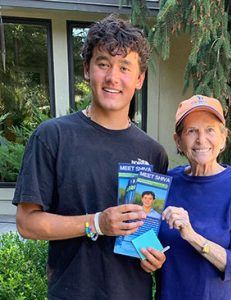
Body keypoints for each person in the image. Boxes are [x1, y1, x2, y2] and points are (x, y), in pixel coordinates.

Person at [13, 15, 168, 300]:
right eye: (103, 64)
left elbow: (146, 229)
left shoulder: (153, 152)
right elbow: (27, 223)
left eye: (124, 67)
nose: (112, 77)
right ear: (87, 69)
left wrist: (152, 257)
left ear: (139, 79)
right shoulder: (52, 137)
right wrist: (97, 223)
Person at [157, 95, 231, 300]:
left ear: (223, 138)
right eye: (192, 131)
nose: (201, 140)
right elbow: (146, 242)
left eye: (210, 130)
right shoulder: (164, 182)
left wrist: (192, 236)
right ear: (178, 140)